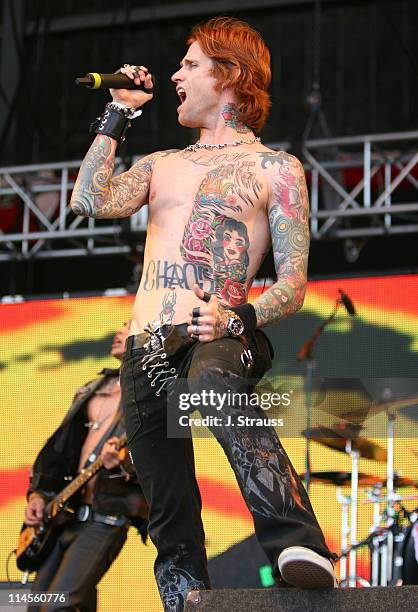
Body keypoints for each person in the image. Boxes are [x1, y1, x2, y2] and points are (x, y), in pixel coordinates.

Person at [70, 16, 337, 611]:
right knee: (167, 503)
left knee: (213, 383)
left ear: (231, 75)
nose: (174, 75)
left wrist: (237, 317)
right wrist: (118, 113)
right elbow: (89, 200)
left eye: (189, 64)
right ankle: (186, 601)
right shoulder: (161, 163)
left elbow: (292, 285)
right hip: (148, 345)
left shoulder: (277, 169)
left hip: (220, 330)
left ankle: (299, 544)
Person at [24, 322, 148, 612]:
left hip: (104, 519)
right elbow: (60, 450)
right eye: (118, 327)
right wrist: (38, 495)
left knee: (58, 606)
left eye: (128, 327)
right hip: (64, 517)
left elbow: (158, 460)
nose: (119, 332)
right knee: (35, 606)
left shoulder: (149, 395)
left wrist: (123, 463)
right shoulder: (92, 389)